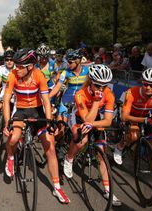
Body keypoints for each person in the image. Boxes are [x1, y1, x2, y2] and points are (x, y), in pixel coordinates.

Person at [3, 48, 70, 203]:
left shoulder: (39, 75)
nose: (16, 69)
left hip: (37, 111)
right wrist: (7, 122)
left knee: (50, 147)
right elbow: (6, 100)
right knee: (13, 138)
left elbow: (46, 101)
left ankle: (57, 187)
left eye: (20, 66)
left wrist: (50, 121)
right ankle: (11, 156)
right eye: (16, 66)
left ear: (30, 66)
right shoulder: (12, 75)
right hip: (21, 110)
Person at [63, 64, 122, 206]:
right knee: (81, 141)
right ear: (90, 81)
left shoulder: (109, 94)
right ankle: (69, 158)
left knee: (102, 153)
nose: (101, 89)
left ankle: (108, 190)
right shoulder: (80, 94)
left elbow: (107, 121)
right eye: (97, 85)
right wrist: (96, 101)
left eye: (104, 86)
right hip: (78, 117)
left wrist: (93, 124)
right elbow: (86, 120)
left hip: (96, 120)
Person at [113, 68, 152, 199]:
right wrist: (146, 120)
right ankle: (120, 146)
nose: (148, 88)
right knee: (134, 136)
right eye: (145, 84)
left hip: (148, 118)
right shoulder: (132, 92)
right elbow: (124, 117)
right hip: (132, 118)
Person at [0, 49, 15, 133]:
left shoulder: (17, 68)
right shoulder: (1, 68)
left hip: (15, 92)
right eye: (7, 60)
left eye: (11, 59)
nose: (9, 62)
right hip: (4, 91)